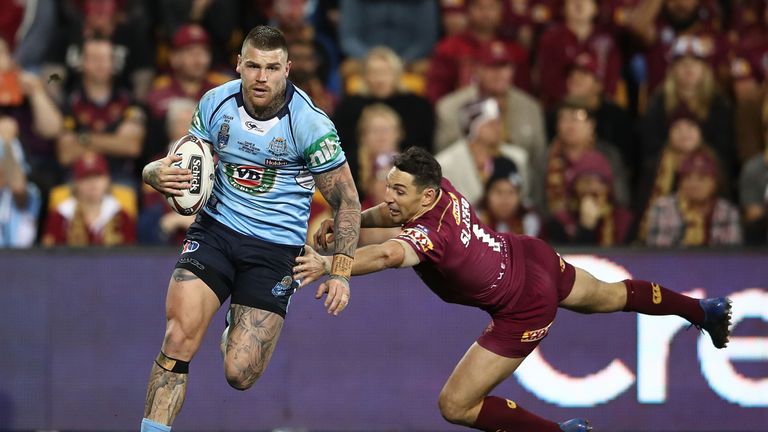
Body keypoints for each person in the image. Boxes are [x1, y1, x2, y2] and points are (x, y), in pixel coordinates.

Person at [295, 146, 732, 432]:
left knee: (456, 405)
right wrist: (352, 222)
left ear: (425, 198)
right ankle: (703, 311)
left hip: (524, 305)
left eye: (399, 190)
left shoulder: (432, 236)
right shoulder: (440, 190)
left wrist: (332, 265)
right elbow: (393, 215)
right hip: (529, 256)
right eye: (389, 186)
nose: (389, 196)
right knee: (613, 295)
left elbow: (389, 255)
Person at [139, 26, 361, 432]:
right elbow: (189, 165)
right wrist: (152, 171)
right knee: (177, 339)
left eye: (272, 68)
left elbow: (347, 200)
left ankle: (233, 327)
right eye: (254, 66)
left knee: (240, 373)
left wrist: (341, 273)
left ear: (287, 70)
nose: (262, 77)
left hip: (275, 249)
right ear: (239, 65)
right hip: (216, 232)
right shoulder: (214, 102)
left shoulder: (310, 125)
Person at [645, 149, 742, 247]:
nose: (693, 184)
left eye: (702, 178)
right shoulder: (663, 207)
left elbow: (731, 256)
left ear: (715, 182)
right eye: (687, 178)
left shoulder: (728, 211)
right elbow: (658, 255)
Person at [41, 151, 136, 246]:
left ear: (107, 180)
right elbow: (50, 256)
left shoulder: (122, 216)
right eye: (86, 177)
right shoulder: (61, 216)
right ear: (75, 183)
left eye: (98, 176)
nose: (92, 183)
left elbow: (131, 255)